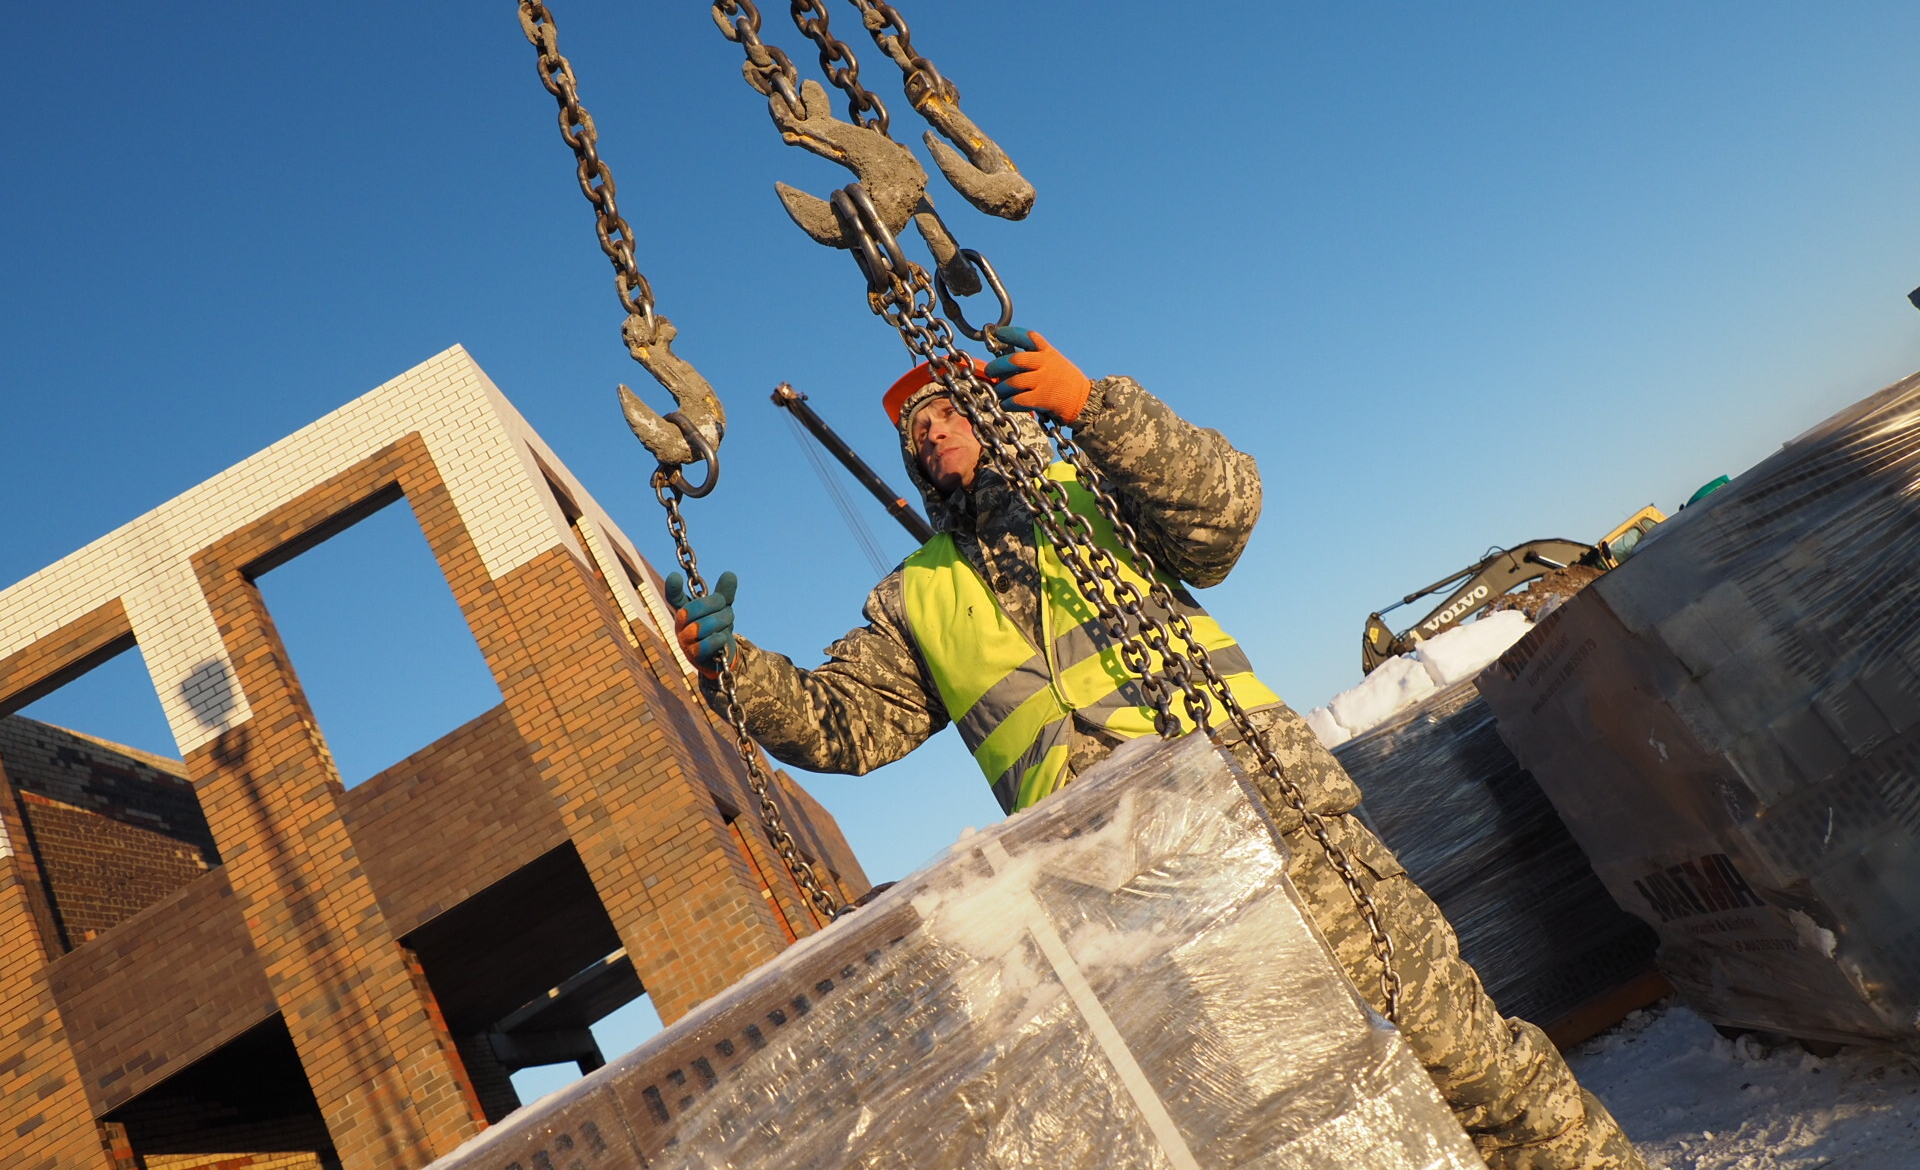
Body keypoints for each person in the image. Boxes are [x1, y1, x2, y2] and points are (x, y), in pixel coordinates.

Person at [665, 327, 1644, 1170]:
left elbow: (1224, 512)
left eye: (942, 411)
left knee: (1454, 1047)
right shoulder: (914, 595)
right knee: (1303, 1111)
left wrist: (1090, 404)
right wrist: (733, 672)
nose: (927, 434)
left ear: (991, 410)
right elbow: (845, 721)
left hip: (1265, 814)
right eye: (911, 431)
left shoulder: (1087, 486)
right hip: (1122, 894)